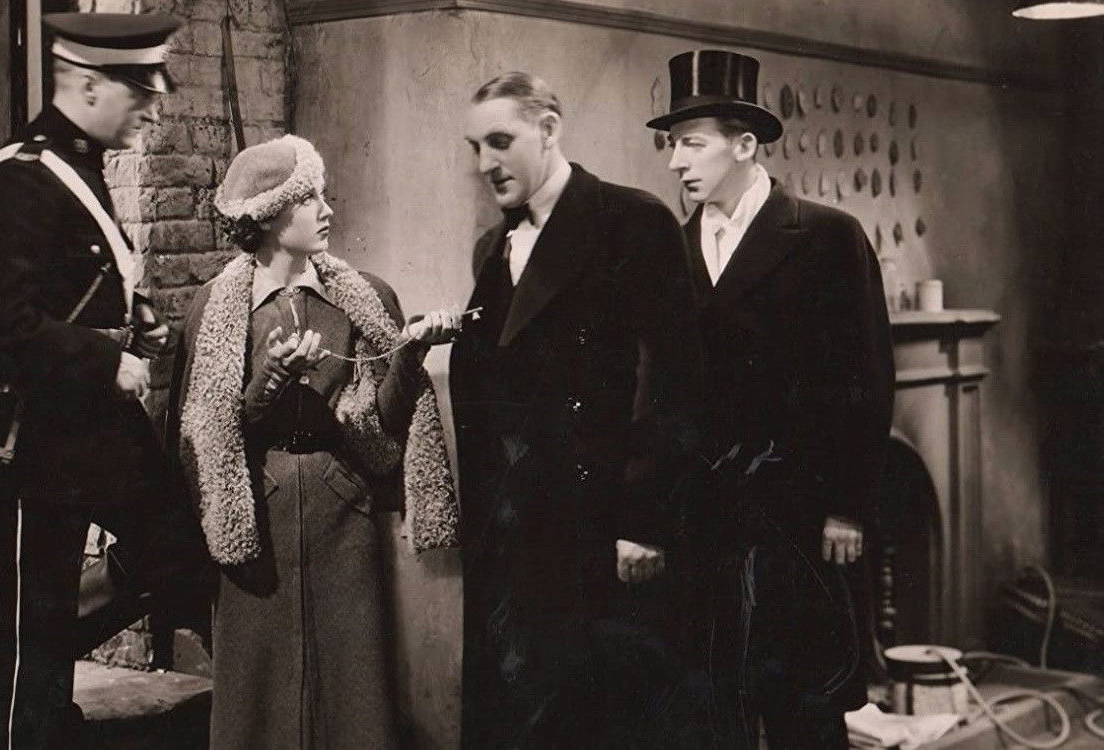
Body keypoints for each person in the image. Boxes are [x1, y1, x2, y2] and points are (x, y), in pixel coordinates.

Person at [0, 13, 212, 749]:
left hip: (87, 430)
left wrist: (137, 317)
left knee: (174, 551)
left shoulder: (77, 169)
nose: (152, 110)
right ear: (89, 84)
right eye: (140, 93)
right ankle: (28, 720)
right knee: (39, 614)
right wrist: (106, 361)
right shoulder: (20, 178)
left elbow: (71, 285)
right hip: (29, 438)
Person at [167, 134, 461, 749]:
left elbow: (383, 431)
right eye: (311, 200)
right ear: (271, 215)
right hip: (257, 520)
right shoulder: (214, 309)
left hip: (342, 515)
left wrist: (408, 356)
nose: (328, 210)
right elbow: (207, 438)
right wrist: (270, 379)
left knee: (352, 699)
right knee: (257, 705)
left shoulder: (366, 299)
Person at [646, 50, 896, 749]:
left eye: (692, 143)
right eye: (671, 145)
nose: (676, 162)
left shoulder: (827, 235)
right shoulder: (671, 249)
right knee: (712, 700)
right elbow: (661, 391)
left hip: (800, 515)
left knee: (803, 704)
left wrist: (848, 507)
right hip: (705, 519)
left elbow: (865, 381)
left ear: (745, 144)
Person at [450, 71, 703, 749]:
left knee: (601, 721)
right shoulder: (492, 250)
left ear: (549, 129)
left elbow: (673, 382)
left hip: (602, 532)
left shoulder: (633, 221)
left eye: (500, 141)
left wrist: (645, 521)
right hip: (512, 542)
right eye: (475, 147)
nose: (484, 164)